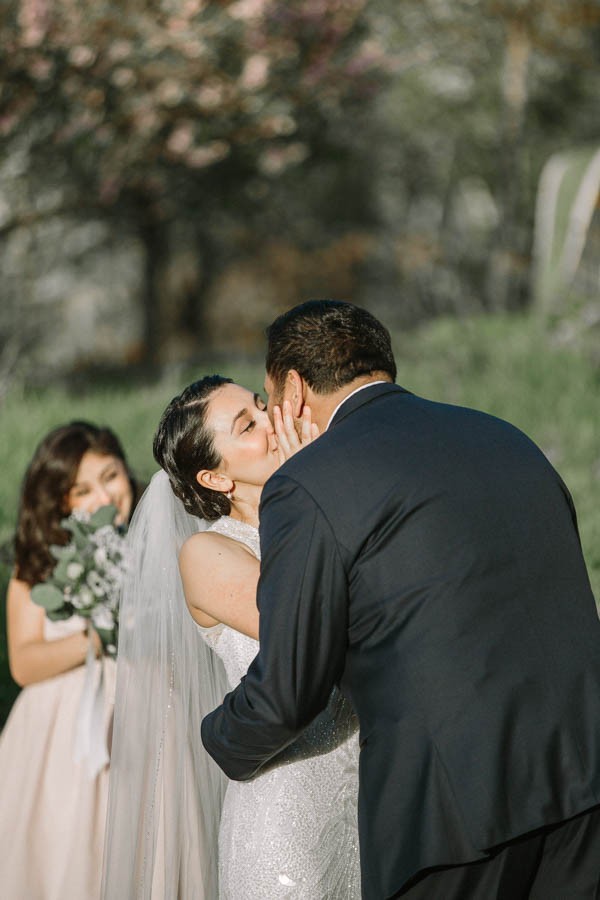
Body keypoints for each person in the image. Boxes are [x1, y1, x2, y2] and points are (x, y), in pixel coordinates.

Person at [201, 299, 600, 900]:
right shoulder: (506, 437)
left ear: (295, 389)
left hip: (455, 816)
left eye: (268, 398)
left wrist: (216, 737)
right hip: (583, 780)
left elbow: (291, 690)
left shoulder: (310, 482)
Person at [102, 375, 360, 900]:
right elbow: (305, 623)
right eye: (248, 424)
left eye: (261, 406)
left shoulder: (334, 511)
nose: (272, 421)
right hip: (289, 820)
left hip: (369, 797)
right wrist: (310, 482)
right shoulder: (206, 555)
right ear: (215, 479)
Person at [0, 421, 137, 900]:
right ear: (59, 499)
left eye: (111, 477)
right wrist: (97, 636)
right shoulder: (37, 561)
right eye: (81, 489)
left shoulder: (154, 546)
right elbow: (24, 662)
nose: (102, 496)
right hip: (57, 736)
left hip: (140, 719)